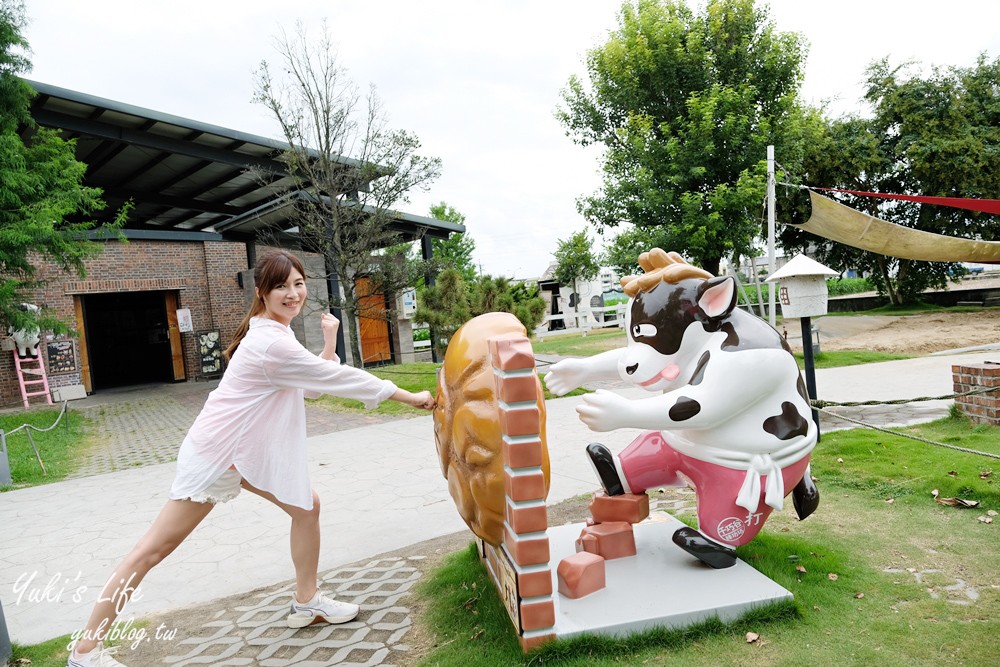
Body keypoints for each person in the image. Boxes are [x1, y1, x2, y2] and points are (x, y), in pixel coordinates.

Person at [68, 249, 436, 667]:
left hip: (240, 454)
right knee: (151, 551)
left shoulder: (275, 333)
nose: (293, 293)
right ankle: (85, 651)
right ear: (262, 292)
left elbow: (311, 386)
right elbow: (339, 380)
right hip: (217, 456)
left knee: (307, 506)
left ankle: (307, 600)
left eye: (298, 284)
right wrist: (410, 397)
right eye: (281, 286)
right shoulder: (267, 342)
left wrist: (330, 341)